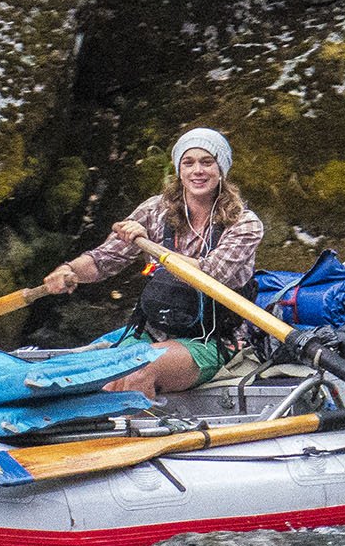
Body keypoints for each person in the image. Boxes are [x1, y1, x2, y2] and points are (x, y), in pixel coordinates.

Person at [42, 128, 263, 399]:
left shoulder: (245, 223)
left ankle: (138, 432)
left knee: (138, 371)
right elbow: (103, 261)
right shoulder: (154, 210)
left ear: (222, 170)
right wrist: (70, 270)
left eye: (207, 162)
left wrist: (149, 246)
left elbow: (210, 275)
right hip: (154, 331)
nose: (198, 171)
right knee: (88, 375)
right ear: (179, 169)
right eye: (188, 162)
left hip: (213, 340)